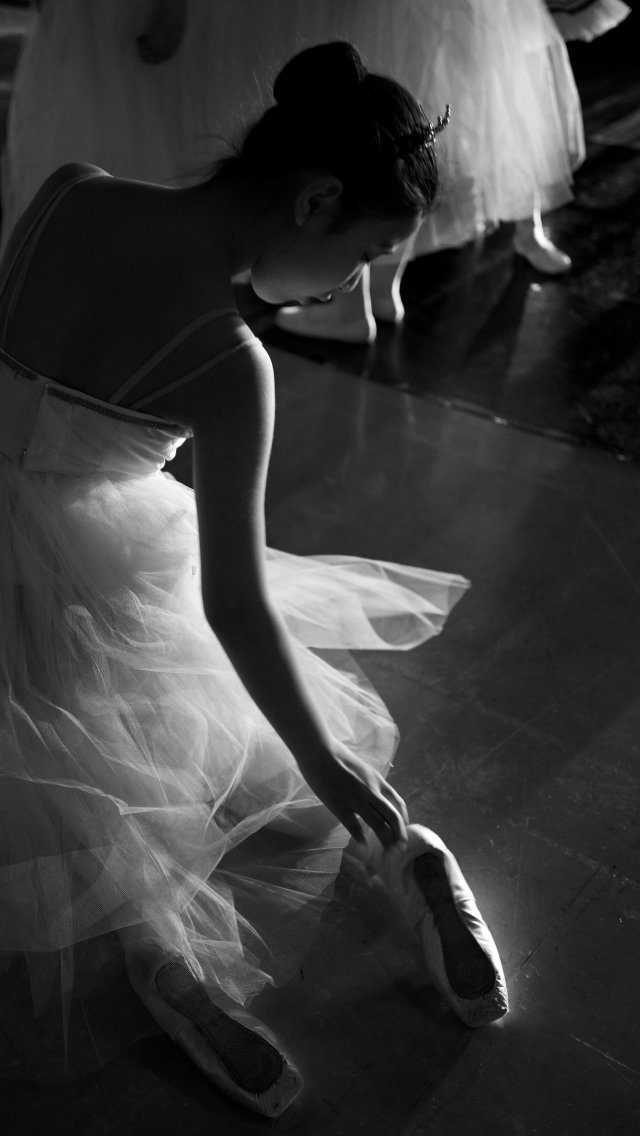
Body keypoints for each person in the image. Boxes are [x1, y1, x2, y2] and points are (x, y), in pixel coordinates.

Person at [0, 42, 507, 1118]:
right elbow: (233, 605)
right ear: (315, 200)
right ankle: (391, 853)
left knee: (66, 784)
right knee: (140, 744)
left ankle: (166, 955)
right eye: (361, 254)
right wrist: (327, 765)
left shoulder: (70, 192)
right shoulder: (233, 365)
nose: (348, 283)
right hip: (86, 573)